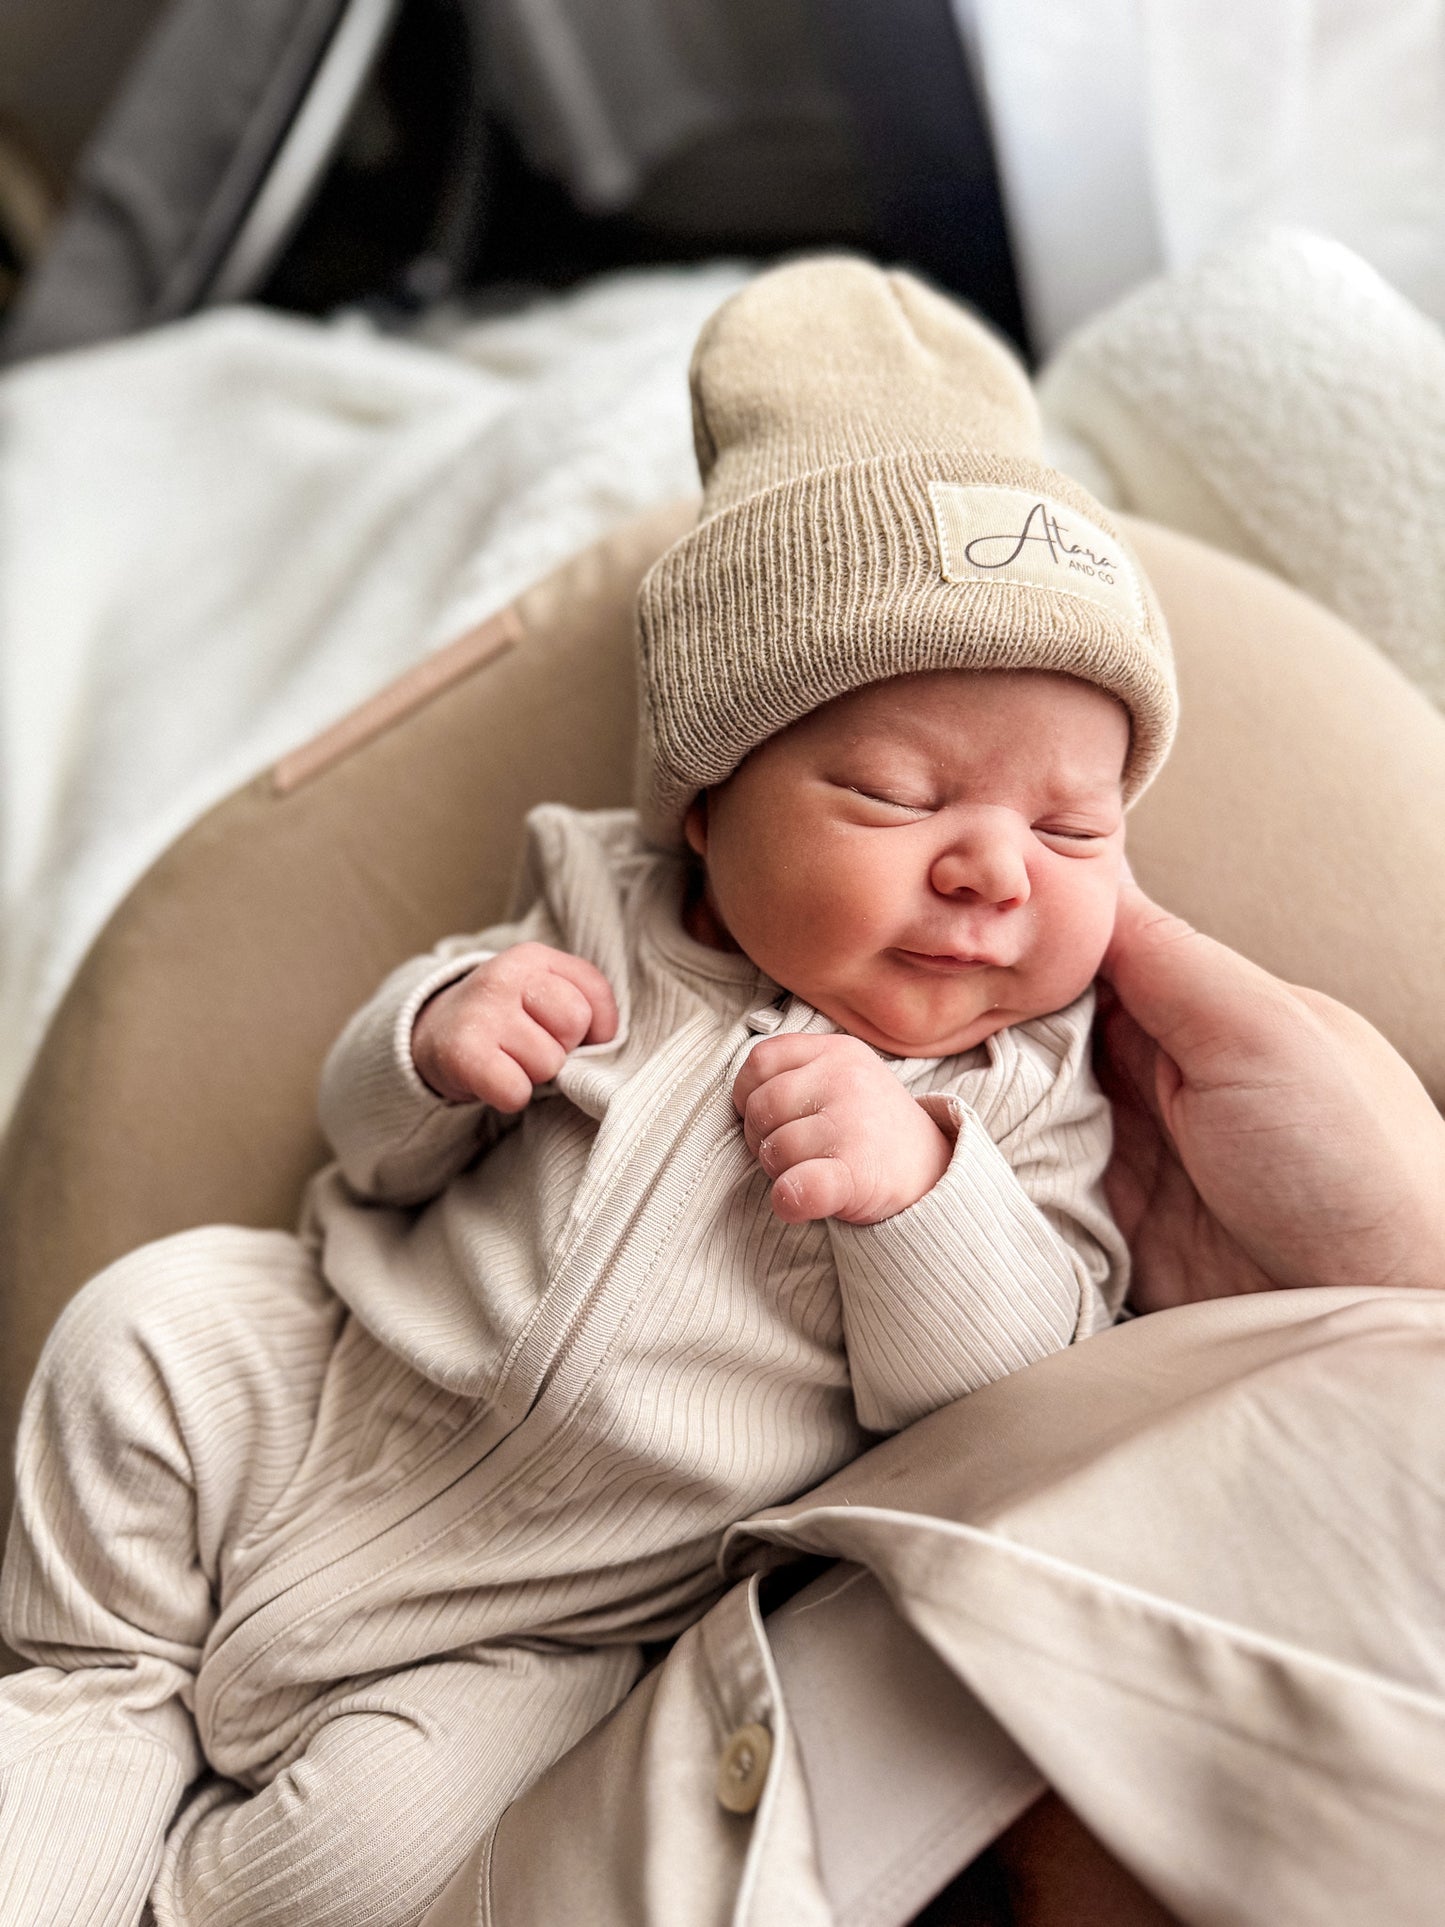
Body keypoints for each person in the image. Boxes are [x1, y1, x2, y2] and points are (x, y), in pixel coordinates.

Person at [0, 258, 1177, 1925]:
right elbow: (377, 1158)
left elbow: (1005, 1390)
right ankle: (90, 1698)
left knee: (370, 1854)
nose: (993, 867)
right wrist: (429, 1043)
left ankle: (175, 1899)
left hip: (549, 1614)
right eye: (897, 794)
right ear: (705, 801)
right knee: (141, 1324)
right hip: (333, 1383)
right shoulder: (593, 903)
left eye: (1070, 831)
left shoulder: (1019, 1091)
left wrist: (923, 1190)